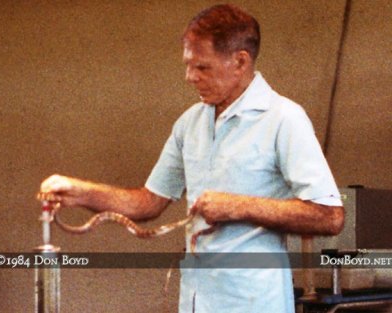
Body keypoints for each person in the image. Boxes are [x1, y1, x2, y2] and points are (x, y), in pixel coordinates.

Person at [40, 4, 344, 313]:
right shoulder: (190, 123)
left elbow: (330, 216)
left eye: (202, 67)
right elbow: (147, 203)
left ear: (240, 61)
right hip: (197, 302)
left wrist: (238, 206)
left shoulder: (283, 119)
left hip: (255, 302)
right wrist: (81, 193)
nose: (189, 77)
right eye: (188, 65)